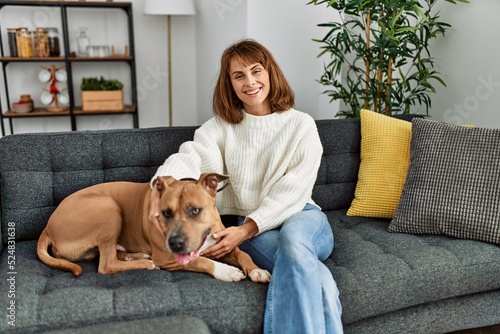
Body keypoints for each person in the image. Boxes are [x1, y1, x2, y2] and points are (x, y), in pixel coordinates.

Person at [149, 38, 343, 334]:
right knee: (317, 279)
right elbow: (191, 156)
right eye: (239, 75)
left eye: (256, 71)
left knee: (293, 242)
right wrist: (157, 188)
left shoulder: (301, 125)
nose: (249, 82)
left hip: (301, 216)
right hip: (254, 228)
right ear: (229, 84)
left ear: (270, 73)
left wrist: (246, 229)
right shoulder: (219, 128)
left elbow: (294, 189)